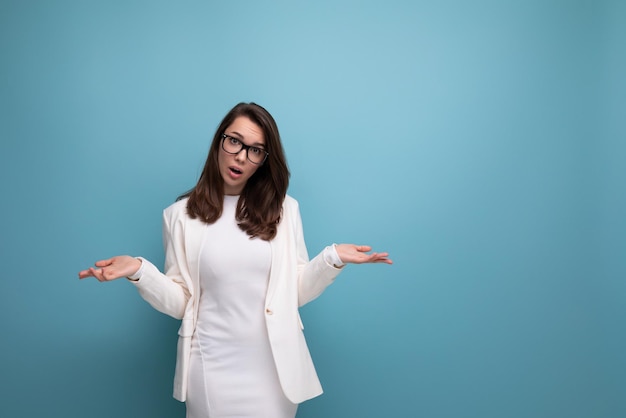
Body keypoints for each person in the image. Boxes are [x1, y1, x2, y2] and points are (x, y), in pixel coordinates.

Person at [78, 102, 392, 418]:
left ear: (264, 161)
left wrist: (331, 258)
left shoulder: (285, 210)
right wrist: (139, 270)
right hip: (210, 367)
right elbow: (180, 302)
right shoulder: (179, 216)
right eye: (235, 141)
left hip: (274, 371)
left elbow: (293, 292)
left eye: (256, 150)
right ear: (220, 141)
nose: (241, 156)